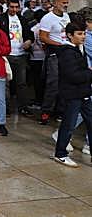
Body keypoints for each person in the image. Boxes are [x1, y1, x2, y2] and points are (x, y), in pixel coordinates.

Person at [53, 21, 92, 168]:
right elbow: (73, 75)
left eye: (84, 33)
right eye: (80, 34)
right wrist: (90, 72)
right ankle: (61, 154)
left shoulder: (77, 49)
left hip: (84, 93)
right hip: (72, 94)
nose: (83, 37)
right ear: (70, 35)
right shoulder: (67, 52)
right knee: (68, 125)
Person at [0, 0, 34, 116]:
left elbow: (29, 34)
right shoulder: (0, 19)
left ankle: (23, 107)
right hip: (6, 54)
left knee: (21, 83)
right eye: (12, 7)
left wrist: (29, 41)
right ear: (7, 6)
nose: (14, 9)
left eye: (16, 7)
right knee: (5, 82)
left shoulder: (22, 19)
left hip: (20, 54)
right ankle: (4, 107)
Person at [38, 0, 70, 124]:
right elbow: (43, 37)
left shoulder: (67, 16)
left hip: (67, 53)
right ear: (55, 3)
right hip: (55, 53)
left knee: (65, 82)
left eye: (67, 2)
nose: (66, 5)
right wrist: (59, 45)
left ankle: (61, 111)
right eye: (63, 2)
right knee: (53, 83)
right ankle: (46, 111)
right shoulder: (47, 18)